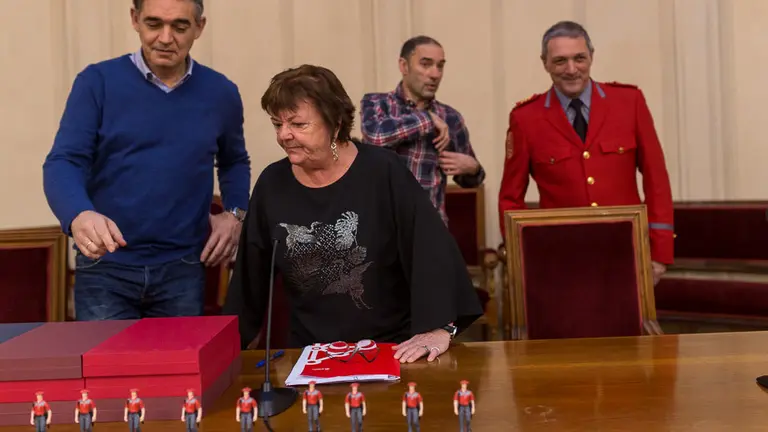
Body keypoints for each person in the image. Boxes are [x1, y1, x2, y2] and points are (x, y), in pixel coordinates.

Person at [223, 64, 482, 363]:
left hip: (393, 350)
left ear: (334, 123)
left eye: (298, 124)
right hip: (309, 355)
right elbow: (249, 277)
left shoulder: (383, 172)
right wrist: (231, 348)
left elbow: (431, 252)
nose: (284, 135)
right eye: (277, 124)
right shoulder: (272, 183)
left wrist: (439, 328)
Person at [42, 0, 250, 320]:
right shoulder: (96, 82)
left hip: (183, 267)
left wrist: (235, 213)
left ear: (199, 27)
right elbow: (64, 161)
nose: (166, 38)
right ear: (135, 19)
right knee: (106, 370)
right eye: (154, 24)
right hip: (105, 265)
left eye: (180, 27)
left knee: (178, 370)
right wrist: (78, 214)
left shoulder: (221, 92)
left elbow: (234, 160)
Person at [498, 20, 674, 283]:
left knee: (628, 325)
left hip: (627, 251)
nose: (571, 69)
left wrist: (659, 252)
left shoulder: (629, 102)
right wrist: (525, 254)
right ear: (544, 62)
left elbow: (656, 179)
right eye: (560, 61)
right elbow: (510, 200)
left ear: (592, 56)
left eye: (579, 58)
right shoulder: (525, 118)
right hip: (560, 259)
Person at [360, 35, 485, 225]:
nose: (435, 74)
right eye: (426, 64)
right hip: (383, 228)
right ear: (404, 66)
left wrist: (472, 168)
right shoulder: (377, 103)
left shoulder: (450, 118)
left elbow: (471, 181)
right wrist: (426, 119)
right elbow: (375, 136)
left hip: (431, 229)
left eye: (440, 66)